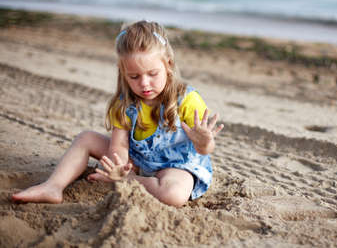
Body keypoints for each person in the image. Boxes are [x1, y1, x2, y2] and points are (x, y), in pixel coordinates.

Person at [11, 20, 224, 207]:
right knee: (86, 138)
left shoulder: (186, 99)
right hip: (138, 162)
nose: (144, 83)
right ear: (123, 73)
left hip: (177, 166)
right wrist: (120, 166)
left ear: (167, 65)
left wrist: (204, 142)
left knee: (174, 195)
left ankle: (128, 181)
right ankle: (53, 187)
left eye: (152, 74)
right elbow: (119, 145)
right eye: (134, 76)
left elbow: (205, 148)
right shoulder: (123, 105)